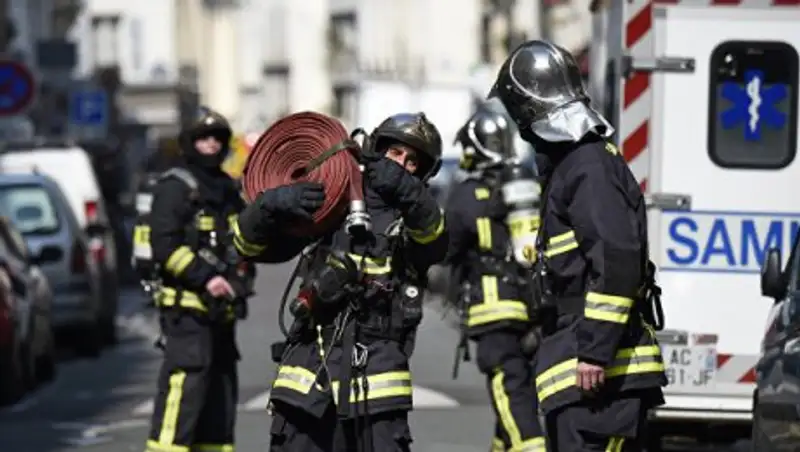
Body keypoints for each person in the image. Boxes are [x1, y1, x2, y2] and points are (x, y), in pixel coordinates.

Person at [489, 40, 667, 451]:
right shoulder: (572, 166)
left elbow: (617, 257)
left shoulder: (587, 166)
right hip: (579, 371)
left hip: (600, 379)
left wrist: (595, 350)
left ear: (529, 109)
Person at [233, 112, 448, 451]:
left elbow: (434, 241)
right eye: (395, 154)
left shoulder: (414, 219)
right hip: (309, 375)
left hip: (377, 384)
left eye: (412, 163)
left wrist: (407, 192)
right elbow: (249, 247)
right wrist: (267, 208)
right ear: (376, 151)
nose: (401, 165)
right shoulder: (334, 199)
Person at [143, 106, 252, 452]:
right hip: (187, 318)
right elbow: (163, 244)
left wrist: (238, 279)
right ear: (190, 143)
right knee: (182, 401)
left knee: (219, 410)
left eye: (217, 138)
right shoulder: (175, 188)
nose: (210, 144)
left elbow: (242, 246)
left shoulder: (228, 191)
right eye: (203, 138)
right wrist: (206, 279)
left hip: (223, 317)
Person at [445, 101, 546, 452]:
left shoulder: (464, 196)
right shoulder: (527, 185)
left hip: (492, 311)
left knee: (510, 391)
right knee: (521, 389)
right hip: (534, 306)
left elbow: (447, 249)